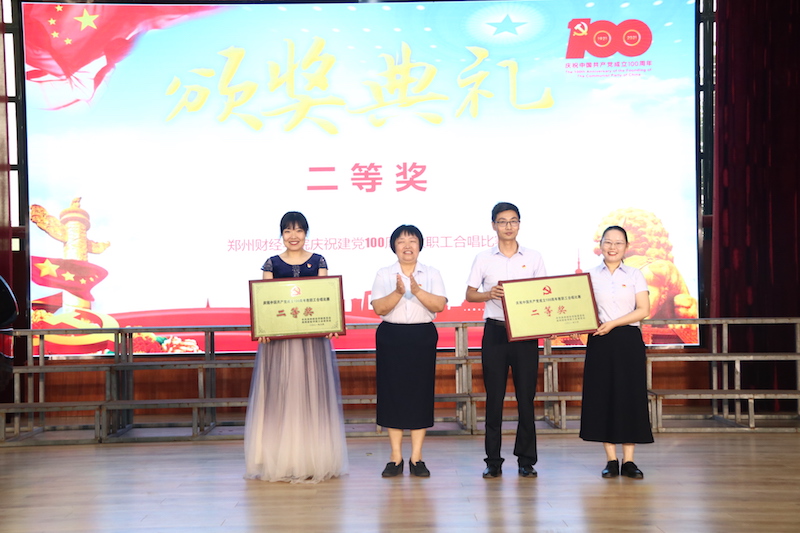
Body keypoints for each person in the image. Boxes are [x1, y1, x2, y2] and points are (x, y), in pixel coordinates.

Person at [244, 211, 349, 483]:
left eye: (299, 230)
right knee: (280, 399)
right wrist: (263, 329)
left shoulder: (319, 261)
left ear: (306, 233)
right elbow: (266, 304)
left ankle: (314, 459)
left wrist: (331, 322)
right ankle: (282, 460)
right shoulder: (272, 263)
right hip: (279, 345)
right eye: (288, 231)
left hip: (312, 345)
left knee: (313, 399)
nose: (293, 236)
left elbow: (325, 299)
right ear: (281, 234)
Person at [465, 202, 547, 479]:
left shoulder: (534, 257)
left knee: (526, 398)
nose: (508, 226)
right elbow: (469, 294)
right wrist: (489, 294)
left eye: (513, 221)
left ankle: (526, 460)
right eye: (502, 221)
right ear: (493, 225)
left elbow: (544, 293)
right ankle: (493, 460)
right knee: (494, 398)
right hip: (496, 333)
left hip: (525, 334)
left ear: (519, 224)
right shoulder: (483, 258)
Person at [371, 225, 447, 478]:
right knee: (391, 394)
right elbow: (379, 308)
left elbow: (439, 305)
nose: (407, 245)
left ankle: (417, 457)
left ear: (419, 246)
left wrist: (417, 291)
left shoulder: (432, 273)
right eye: (401, 241)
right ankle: (395, 457)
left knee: (419, 394)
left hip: (422, 336)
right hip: (391, 336)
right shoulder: (384, 274)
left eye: (412, 241)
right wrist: (398, 293)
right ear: (394, 246)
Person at [580, 225, 654, 479]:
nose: (612, 247)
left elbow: (643, 309)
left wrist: (613, 323)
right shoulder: (589, 276)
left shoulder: (635, 274)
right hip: (600, 340)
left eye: (618, 243)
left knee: (630, 396)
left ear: (626, 247)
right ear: (600, 245)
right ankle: (611, 460)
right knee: (604, 396)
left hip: (628, 340)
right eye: (608, 242)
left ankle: (629, 461)